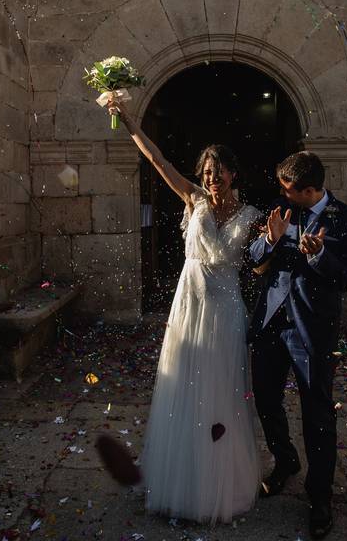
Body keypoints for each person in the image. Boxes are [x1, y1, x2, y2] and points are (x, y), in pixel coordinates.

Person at [108, 97, 261, 524]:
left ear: (233, 174)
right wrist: (128, 121)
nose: (211, 179)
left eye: (219, 172)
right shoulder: (192, 198)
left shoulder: (251, 215)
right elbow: (157, 161)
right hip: (190, 302)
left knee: (221, 394)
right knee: (186, 389)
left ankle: (219, 486)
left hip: (227, 307)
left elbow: (265, 261)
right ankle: (184, 481)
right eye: (207, 172)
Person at [248, 151, 347, 539]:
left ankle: (320, 497)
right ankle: (285, 461)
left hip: (312, 330)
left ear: (309, 189)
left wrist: (319, 257)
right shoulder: (282, 210)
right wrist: (270, 239)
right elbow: (254, 258)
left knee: (317, 414)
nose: (282, 194)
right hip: (270, 325)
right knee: (266, 400)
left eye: (288, 189)